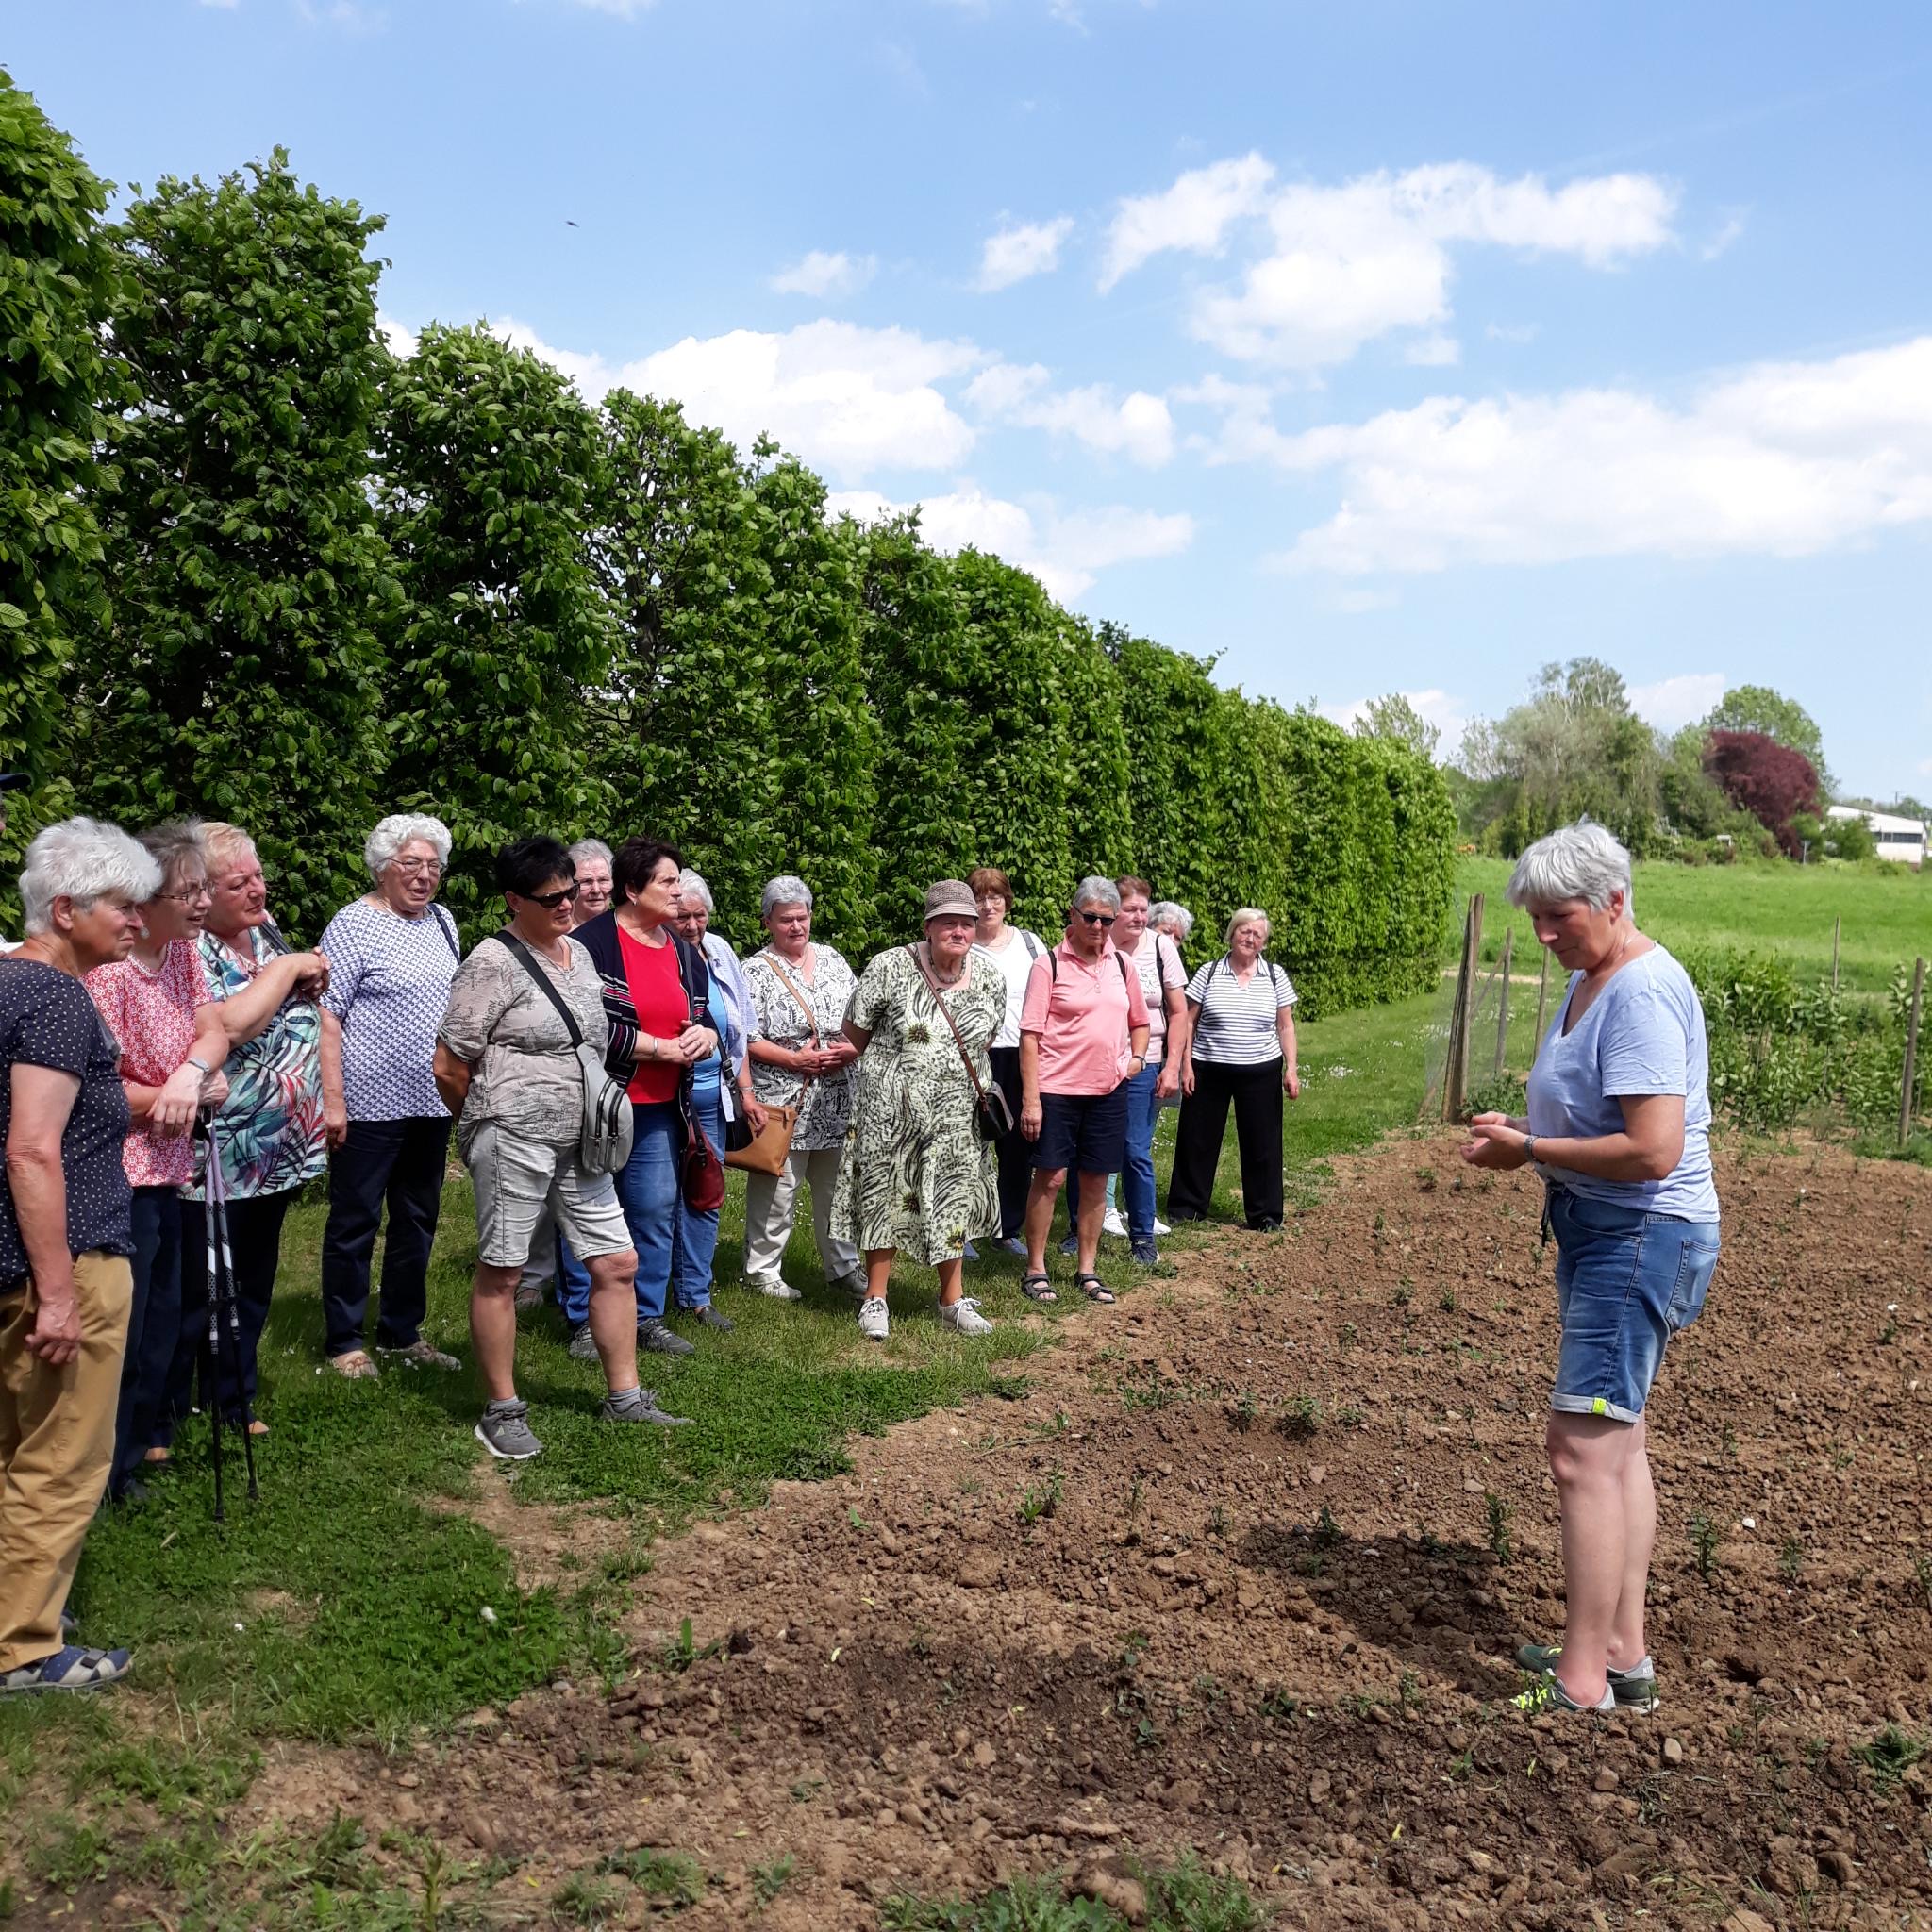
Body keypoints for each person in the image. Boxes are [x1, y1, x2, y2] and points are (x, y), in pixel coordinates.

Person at [1459, 822, 1719, 1718]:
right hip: (1606, 1229)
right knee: (1618, 1446)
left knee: (1580, 1452)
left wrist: (1530, 1147)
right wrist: (1528, 1141)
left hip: (1638, 1233)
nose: (1542, 933)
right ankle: (1621, 1653)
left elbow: (1653, 1150)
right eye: (1534, 916)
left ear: (1615, 901)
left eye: (1557, 915)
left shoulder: (1641, 991)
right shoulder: (1592, 975)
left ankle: (1581, 1684)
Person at [435, 838, 690, 1459]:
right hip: (513, 1135)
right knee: (503, 1270)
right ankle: (501, 1409)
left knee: (617, 1262)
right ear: (513, 901)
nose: (568, 905)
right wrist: (482, 1128)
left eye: (572, 892)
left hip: (583, 1139)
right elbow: (449, 1064)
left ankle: (624, 1396)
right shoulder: (490, 962)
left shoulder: (577, 953)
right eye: (551, 898)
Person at [1, 819, 153, 1692]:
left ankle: (19, 1605)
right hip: (65, 1260)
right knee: (60, 1457)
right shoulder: (56, 1000)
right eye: (121, 907)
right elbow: (31, 1148)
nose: (136, 921)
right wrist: (59, 1293)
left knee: (11, 1446)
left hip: (7, 1258)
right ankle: (23, 1649)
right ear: (65, 910)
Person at [167, 824, 333, 1458]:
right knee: (202, 1287)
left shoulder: (264, 934)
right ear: (202, 893)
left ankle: (234, 1397)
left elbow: (287, 1011)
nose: (259, 888)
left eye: (259, 875)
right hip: (219, 1151)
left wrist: (299, 980)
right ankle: (175, 1410)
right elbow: (230, 1024)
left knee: (255, 1279)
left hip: (277, 1151)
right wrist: (292, 968)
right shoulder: (192, 949)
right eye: (241, 882)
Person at [83, 822, 232, 1504]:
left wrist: (195, 1073)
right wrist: (174, 1091)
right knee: (131, 1321)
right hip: (122, 1169)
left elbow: (213, 1029)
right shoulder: (108, 974)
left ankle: (136, 1453)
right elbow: (97, 1086)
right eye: (187, 892)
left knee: (168, 1314)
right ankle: (100, 1471)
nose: (202, 904)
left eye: (205, 889)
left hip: (172, 1164)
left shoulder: (181, 953)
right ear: (145, 902)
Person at [316, 815, 463, 1379]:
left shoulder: (443, 922)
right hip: (367, 1104)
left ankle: (402, 1332)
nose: (424, 876)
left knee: (417, 1218)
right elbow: (327, 1017)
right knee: (354, 1221)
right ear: (383, 867)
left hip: (430, 1100)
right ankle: (344, 1341)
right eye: (411, 864)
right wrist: (334, 1101)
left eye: (433, 866)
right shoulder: (353, 925)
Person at [563, 840, 721, 1359]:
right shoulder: (590, 943)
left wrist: (705, 1036)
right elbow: (583, 1026)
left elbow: (700, 1013)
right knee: (589, 1209)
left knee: (653, 1209)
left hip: (659, 1107)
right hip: (599, 1100)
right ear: (632, 890)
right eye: (667, 883)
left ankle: (646, 1317)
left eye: (678, 882)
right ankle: (587, 1321)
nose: (678, 892)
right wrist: (658, 1048)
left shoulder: (678, 946)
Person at [833, 881, 1002, 1342]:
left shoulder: (989, 976)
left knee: (952, 1198)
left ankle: (952, 1302)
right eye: (948, 921)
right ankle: (876, 1299)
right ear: (928, 926)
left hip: (958, 1116)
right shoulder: (889, 966)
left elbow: (984, 1040)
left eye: (967, 923)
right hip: (889, 1110)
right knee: (884, 1197)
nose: (959, 931)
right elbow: (855, 1033)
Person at [1017, 877, 1149, 1307]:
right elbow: (1030, 1036)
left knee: (1095, 1180)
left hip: (1108, 1091)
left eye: (1106, 920)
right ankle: (1035, 1268)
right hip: (1057, 1090)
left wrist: (1137, 1060)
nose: (1097, 927)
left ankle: (1087, 1269)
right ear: (1072, 915)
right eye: (1090, 917)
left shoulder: (1123, 964)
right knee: (1051, 1177)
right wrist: (1031, 1099)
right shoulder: (1048, 965)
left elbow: (1141, 1022)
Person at [742, 876, 864, 1300]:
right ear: (768, 923)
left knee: (837, 1190)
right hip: (783, 1097)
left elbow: (858, 1018)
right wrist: (796, 1059)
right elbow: (746, 1037)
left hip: (837, 1096)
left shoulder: (832, 959)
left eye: (802, 917)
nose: (796, 926)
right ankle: (762, 1271)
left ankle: (843, 1266)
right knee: (778, 1190)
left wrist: (849, 1050)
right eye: (786, 920)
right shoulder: (753, 971)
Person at [1065, 877, 1186, 1265]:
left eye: (1143, 909)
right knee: (1082, 1152)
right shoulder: (1096, 945)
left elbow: (1179, 1011)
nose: (1138, 916)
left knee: (1134, 1150)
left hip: (1144, 1063)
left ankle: (1142, 1235)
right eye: (1131, 909)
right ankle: (1076, 1231)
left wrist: (1172, 1065)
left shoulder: (1161, 947)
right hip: (1090, 1064)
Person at [670, 870, 766, 1328]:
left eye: (699, 915)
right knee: (658, 1198)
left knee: (705, 1194)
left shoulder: (721, 951)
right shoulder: (653, 954)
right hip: (666, 1097)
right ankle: (652, 1294)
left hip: (714, 1096)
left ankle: (696, 1294)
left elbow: (739, 1032)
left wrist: (745, 1091)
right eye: (682, 916)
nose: (691, 925)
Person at [1167, 909, 1298, 1231]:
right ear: (1232, 933)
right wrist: (1186, 1065)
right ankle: (1187, 1206)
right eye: (1244, 931)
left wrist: (1291, 1068)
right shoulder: (1209, 972)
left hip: (1261, 1069)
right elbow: (1189, 1021)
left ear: (1264, 942)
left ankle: (1265, 1214)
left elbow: (1285, 1026)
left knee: (1262, 1143)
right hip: (1209, 1067)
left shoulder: (1275, 976)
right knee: (1197, 1139)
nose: (1250, 938)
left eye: (1257, 934)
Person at [970, 867, 1046, 1258]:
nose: (987, 905)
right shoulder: (961, 943)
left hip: (1021, 1054)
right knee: (970, 1145)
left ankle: (1006, 1227)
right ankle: (963, 1230)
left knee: (1018, 1145)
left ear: (1006, 900)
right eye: (979, 897)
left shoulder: (1031, 945)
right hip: (974, 1057)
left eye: (994, 896)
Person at [568, 839, 614, 927]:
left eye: (603, 880)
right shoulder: (559, 937)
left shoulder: (622, 929)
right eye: (586, 881)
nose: (596, 890)